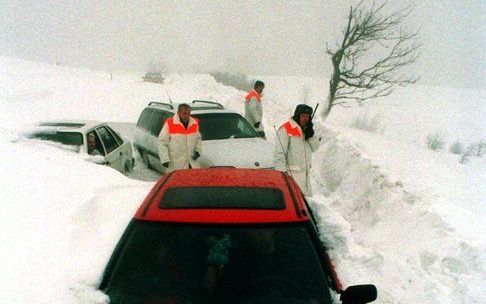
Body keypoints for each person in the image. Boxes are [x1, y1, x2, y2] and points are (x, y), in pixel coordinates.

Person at [274, 104, 320, 196]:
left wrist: (310, 135)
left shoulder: (307, 130)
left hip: (305, 175)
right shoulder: (286, 128)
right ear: (297, 115)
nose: (305, 119)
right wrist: (281, 174)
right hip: (291, 175)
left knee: (303, 202)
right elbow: (280, 153)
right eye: (303, 116)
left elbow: (315, 148)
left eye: (307, 116)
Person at [158, 103, 202, 172]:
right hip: (176, 164)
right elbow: (162, 142)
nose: (187, 116)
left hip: (191, 163)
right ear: (179, 112)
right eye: (184, 113)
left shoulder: (194, 123)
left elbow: (198, 139)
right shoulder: (170, 123)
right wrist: (165, 159)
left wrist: (197, 151)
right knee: (178, 182)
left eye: (188, 113)